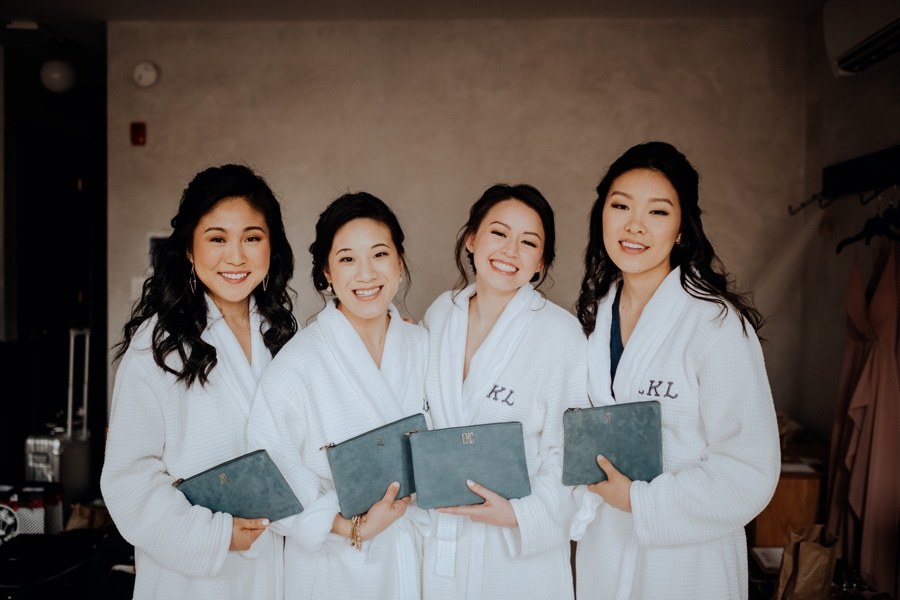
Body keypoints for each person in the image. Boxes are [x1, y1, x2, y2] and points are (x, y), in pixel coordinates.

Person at [570, 141, 781, 600]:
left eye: (658, 212)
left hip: (688, 567)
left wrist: (642, 502)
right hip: (604, 556)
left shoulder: (714, 324)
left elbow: (750, 468)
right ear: (601, 215)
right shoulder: (591, 318)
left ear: (682, 229)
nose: (634, 225)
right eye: (620, 205)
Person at [100, 163, 298, 599]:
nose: (236, 257)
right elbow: (128, 479)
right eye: (217, 239)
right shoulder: (157, 347)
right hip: (194, 578)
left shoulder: (282, 337)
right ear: (189, 249)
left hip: (277, 570)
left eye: (252, 237)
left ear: (271, 247)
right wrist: (217, 535)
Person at [246, 192, 429, 600]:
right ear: (326, 272)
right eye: (347, 259)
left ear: (399, 263)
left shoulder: (424, 347)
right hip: (333, 572)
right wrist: (350, 527)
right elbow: (270, 473)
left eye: (380, 254)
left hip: (414, 563)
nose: (366, 274)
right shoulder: (297, 364)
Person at [420, 183, 587, 600]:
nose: (510, 251)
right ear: (472, 238)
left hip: (516, 559)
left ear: (540, 263)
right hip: (440, 544)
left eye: (528, 242)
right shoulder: (441, 314)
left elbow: (570, 453)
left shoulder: (560, 334)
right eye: (499, 233)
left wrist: (519, 514)